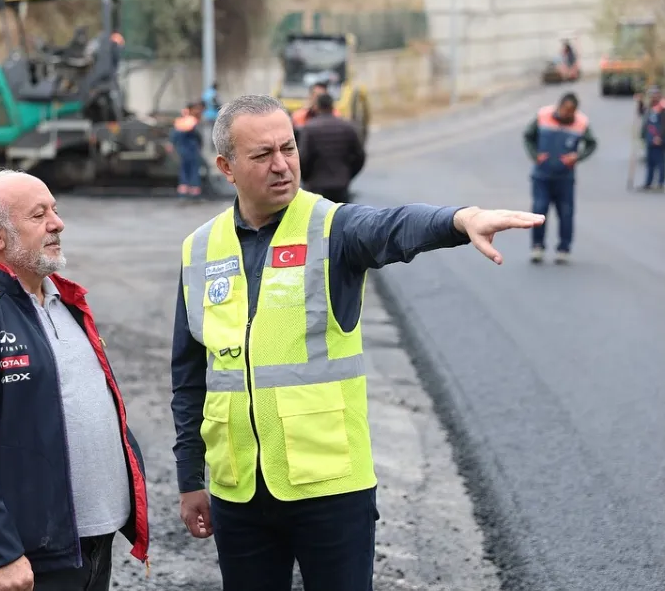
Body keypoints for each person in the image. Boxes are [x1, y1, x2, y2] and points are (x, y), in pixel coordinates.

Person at [168, 94, 544, 591]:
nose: (282, 165)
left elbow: (394, 226)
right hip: (240, 494)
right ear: (226, 167)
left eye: (288, 148)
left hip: (330, 491)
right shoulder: (199, 250)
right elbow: (191, 374)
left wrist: (459, 220)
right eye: (262, 155)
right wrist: (190, 477)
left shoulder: (333, 227)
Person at [0, 171, 149, 591]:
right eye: (38, 215)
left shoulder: (64, 301)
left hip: (90, 546)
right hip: (23, 562)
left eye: (55, 210)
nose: (57, 223)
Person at [523, 91, 597, 264]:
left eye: (571, 111)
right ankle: (537, 246)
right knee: (539, 210)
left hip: (565, 177)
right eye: (565, 110)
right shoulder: (543, 116)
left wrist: (577, 157)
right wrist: (535, 155)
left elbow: (592, 144)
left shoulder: (581, 123)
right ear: (559, 106)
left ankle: (564, 249)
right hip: (541, 175)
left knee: (566, 213)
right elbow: (528, 137)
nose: (567, 114)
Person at [298, 92, 365, 203]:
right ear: (332, 106)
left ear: (317, 106)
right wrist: (347, 174)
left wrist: (307, 178)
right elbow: (360, 156)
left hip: (316, 186)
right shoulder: (347, 127)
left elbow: (303, 158)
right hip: (341, 185)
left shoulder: (309, 128)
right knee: (341, 219)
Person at [171, 101, 205, 198]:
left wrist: (172, 144)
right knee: (193, 170)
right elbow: (198, 137)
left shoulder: (179, 122)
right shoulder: (192, 121)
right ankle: (195, 192)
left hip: (182, 150)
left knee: (184, 171)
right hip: (191, 150)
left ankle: (183, 192)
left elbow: (174, 136)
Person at [640, 85, 665, 190]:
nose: (653, 97)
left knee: (660, 162)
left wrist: (660, 137)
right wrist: (639, 103)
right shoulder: (650, 107)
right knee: (650, 161)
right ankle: (648, 183)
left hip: (659, 139)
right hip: (650, 139)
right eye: (651, 95)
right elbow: (642, 114)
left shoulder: (662, 108)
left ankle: (660, 183)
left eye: (655, 94)